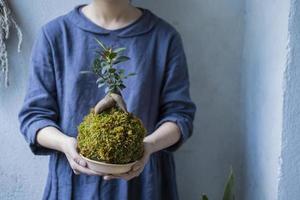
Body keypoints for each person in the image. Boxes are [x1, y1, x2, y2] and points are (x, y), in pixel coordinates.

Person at [18, 0, 196, 199]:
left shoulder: (164, 38)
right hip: (74, 188)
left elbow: (180, 115)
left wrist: (148, 145)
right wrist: (65, 144)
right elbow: (34, 117)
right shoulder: (54, 35)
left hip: (144, 187)